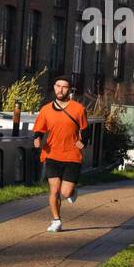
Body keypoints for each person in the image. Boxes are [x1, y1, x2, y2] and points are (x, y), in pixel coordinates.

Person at [31, 75, 90, 233]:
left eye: (64, 87)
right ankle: (56, 220)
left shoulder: (78, 109)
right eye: (58, 86)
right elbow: (39, 129)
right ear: (54, 87)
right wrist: (37, 139)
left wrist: (83, 141)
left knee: (64, 192)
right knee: (54, 191)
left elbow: (85, 130)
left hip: (72, 156)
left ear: (69, 90)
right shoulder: (46, 109)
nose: (60, 89)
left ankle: (71, 190)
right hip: (52, 154)